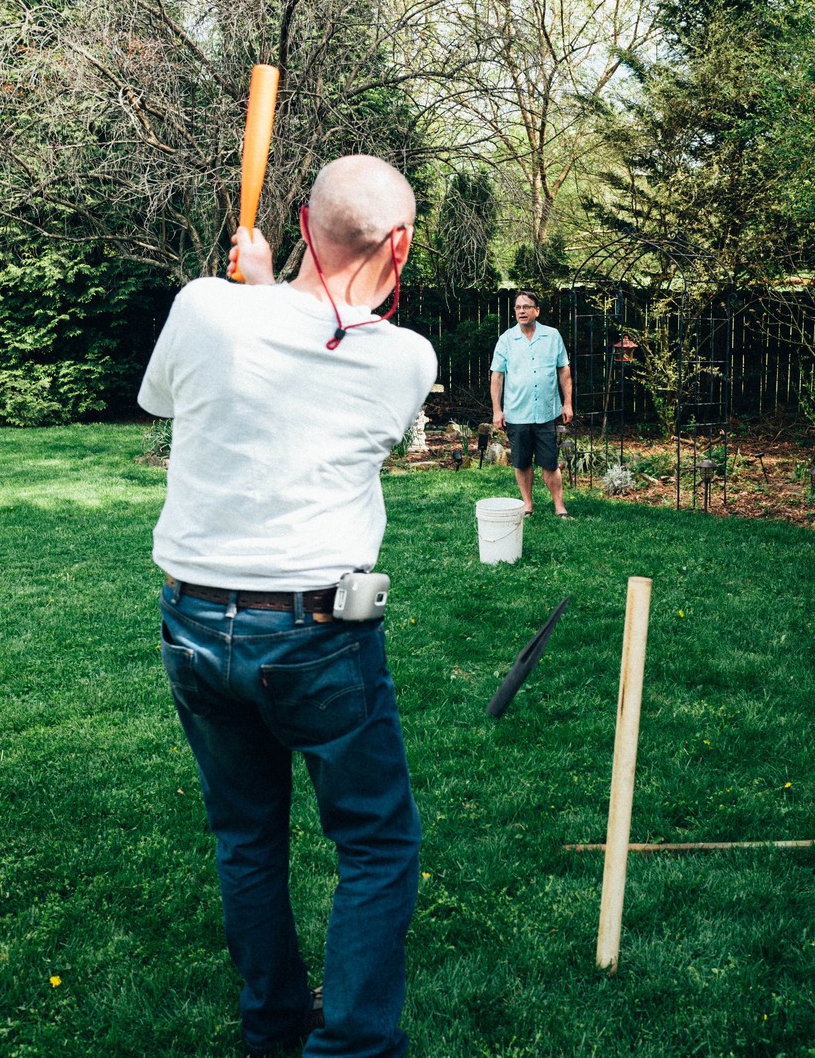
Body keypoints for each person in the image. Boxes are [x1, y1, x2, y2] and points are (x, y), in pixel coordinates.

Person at [138, 155, 436, 1058]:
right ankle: (348, 1048)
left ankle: (272, 1028)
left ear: (302, 223)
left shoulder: (203, 307)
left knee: (247, 836)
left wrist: (252, 292)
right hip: (314, 634)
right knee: (377, 844)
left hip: (195, 623)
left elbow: (168, 398)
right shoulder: (406, 360)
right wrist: (269, 299)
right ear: (402, 244)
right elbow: (317, 364)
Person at [490, 291, 574, 518]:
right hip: (517, 414)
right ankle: (527, 505)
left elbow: (563, 370)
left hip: (546, 413)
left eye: (526, 307)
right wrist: (497, 411)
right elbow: (497, 376)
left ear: (537, 311)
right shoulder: (507, 339)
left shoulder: (552, 336)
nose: (521, 311)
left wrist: (567, 404)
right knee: (521, 462)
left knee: (550, 463)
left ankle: (559, 507)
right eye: (518, 307)